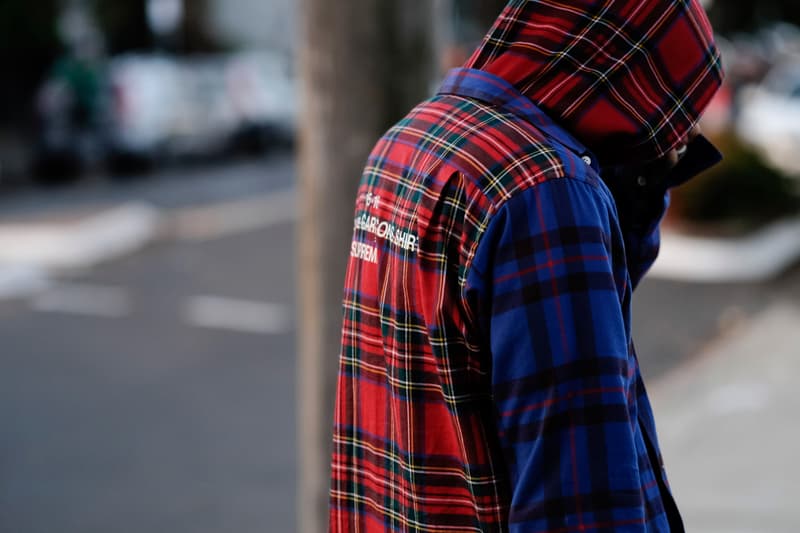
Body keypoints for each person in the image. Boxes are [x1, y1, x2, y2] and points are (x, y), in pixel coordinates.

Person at [329, 0, 723, 531]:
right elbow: (578, 494)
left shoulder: (409, 140)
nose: (676, 140)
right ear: (627, 82)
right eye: (673, 113)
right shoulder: (547, 192)